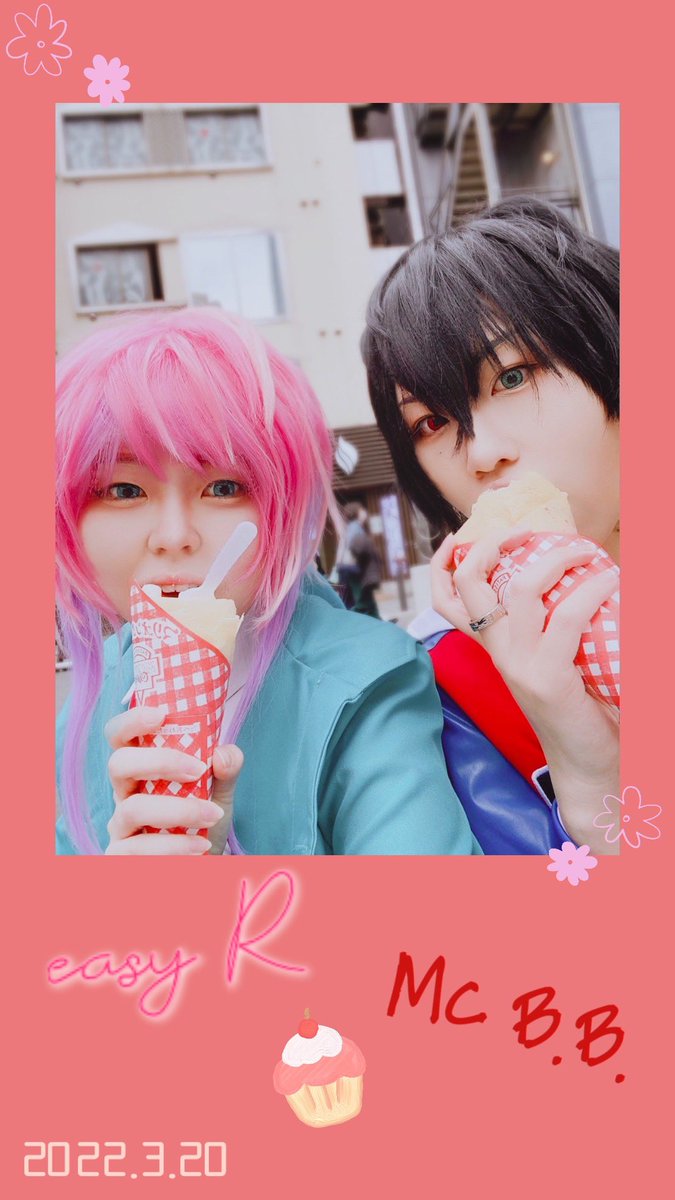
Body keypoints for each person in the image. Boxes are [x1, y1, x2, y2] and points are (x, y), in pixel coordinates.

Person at [56, 307, 481, 856]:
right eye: (123, 490)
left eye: (223, 487)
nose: (173, 536)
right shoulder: (94, 696)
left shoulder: (368, 679)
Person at [362, 198, 619, 855]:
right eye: (431, 422)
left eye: (512, 376)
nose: (480, 454)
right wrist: (592, 783)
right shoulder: (446, 688)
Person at [343, 501, 382, 618]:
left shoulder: (353, 528)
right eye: (362, 510)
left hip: (359, 571)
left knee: (368, 601)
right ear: (357, 513)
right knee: (363, 602)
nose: (365, 512)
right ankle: (350, 620)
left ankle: (378, 620)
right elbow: (358, 549)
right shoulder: (355, 528)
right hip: (359, 572)